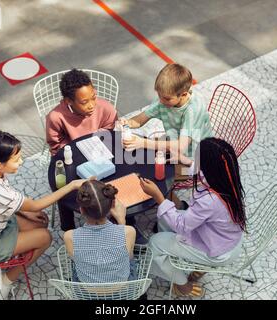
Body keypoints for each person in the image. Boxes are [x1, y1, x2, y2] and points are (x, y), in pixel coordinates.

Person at [0, 131, 88, 300]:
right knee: (45, 237)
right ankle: (5, 280)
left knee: (38, 221)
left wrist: (29, 213)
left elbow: (9, 204)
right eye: (16, 159)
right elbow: (35, 205)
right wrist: (71, 186)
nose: (21, 161)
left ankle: (13, 256)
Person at [139, 138, 246, 297]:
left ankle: (182, 284)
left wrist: (158, 196)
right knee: (164, 218)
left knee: (154, 244)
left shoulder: (209, 200)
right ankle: (175, 254)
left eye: (197, 158)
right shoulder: (226, 179)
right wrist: (186, 161)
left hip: (217, 250)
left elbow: (182, 226)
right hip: (227, 238)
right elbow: (201, 173)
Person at [120, 63, 213, 159]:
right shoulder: (163, 100)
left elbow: (182, 146)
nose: (161, 101)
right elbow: (139, 120)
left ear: (183, 95)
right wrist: (127, 123)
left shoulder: (192, 110)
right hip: (175, 144)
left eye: (166, 98)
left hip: (199, 154)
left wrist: (142, 143)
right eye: (159, 95)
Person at [63, 180, 136, 283]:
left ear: (82, 210)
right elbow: (128, 256)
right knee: (131, 260)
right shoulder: (129, 232)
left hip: (86, 292)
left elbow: (75, 259)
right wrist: (121, 221)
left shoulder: (69, 236)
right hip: (122, 290)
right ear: (112, 205)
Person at [46, 68, 118, 156]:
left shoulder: (106, 108)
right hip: (73, 154)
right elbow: (55, 145)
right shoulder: (56, 117)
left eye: (93, 97)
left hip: (101, 150)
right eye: (84, 102)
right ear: (68, 101)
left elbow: (111, 132)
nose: (92, 105)